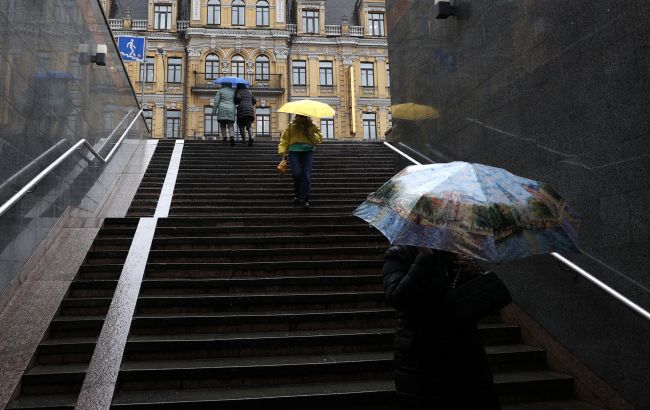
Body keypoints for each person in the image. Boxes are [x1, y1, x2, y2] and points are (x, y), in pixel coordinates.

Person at [383, 245, 501, 410]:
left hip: (465, 351)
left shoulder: (454, 253)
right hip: (421, 355)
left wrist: (470, 273)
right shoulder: (399, 254)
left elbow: (471, 302)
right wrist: (424, 259)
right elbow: (398, 297)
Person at [277, 114, 323, 209]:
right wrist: (282, 151)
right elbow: (285, 139)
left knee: (306, 174)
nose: (301, 117)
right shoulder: (291, 125)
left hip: (308, 151)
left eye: (303, 115)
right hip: (294, 151)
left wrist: (310, 132)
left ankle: (305, 199)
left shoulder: (311, 125)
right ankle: (298, 195)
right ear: (297, 115)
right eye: (300, 115)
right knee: (297, 173)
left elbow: (318, 140)